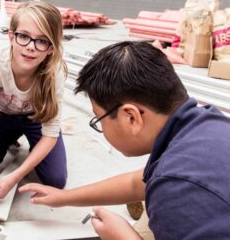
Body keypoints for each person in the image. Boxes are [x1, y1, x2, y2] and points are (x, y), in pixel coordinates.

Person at [19, 41, 230, 239]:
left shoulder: (176, 189)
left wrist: (123, 236)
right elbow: (136, 183)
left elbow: (167, 182)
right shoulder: (207, 122)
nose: (100, 126)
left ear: (131, 117)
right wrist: (64, 198)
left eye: (98, 118)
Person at [0, 1, 68, 234]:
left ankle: (19, 140)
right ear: (11, 36)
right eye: (24, 36)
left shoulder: (54, 72)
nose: (30, 47)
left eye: (42, 40)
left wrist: (13, 177)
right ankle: (5, 139)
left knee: (56, 180)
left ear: (51, 47)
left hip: (35, 118)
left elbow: (50, 134)